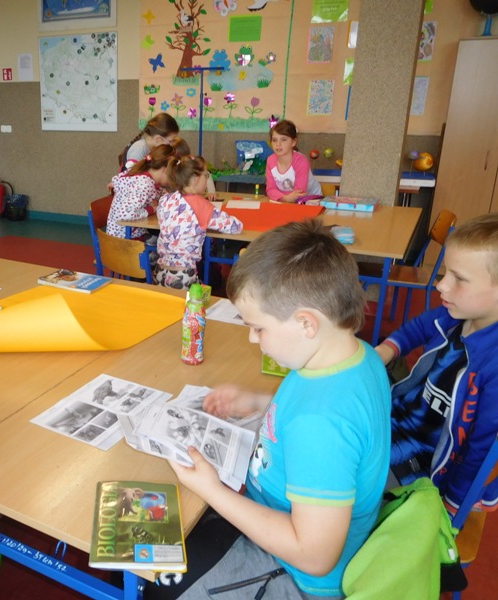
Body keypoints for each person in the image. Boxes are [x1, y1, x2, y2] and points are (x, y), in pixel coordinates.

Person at [146, 219, 391, 600]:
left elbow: (314, 556)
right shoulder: (354, 356)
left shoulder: (321, 424)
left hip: (297, 574)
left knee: (155, 581)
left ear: (306, 323)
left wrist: (212, 490)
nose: (251, 337)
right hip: (280, 509)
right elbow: (317, 412)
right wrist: (258, 402)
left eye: (258, 328)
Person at [374, 213, 498, 515]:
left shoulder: (493, 365)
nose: (441, 285)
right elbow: (419, 327)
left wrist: (454, 503)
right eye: (444, 273)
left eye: (459, 278)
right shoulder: (455, 315)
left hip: (426, 460)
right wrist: (387, 349)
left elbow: (480, 448)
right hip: (396, 418)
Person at [154, 155, 242, 289]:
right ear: (196, 180)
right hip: (183, 276)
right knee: (202, 297)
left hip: (160, 272)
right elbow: (235, 227)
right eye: (206, 175)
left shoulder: (166, 199)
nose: (207, 179)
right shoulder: (201, 205)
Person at [106, 144, 172, 240]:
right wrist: (151, 209)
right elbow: (126, 214)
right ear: (166, 171)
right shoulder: (144, 184)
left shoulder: (142, 174)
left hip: (122, 234)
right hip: (124, 239)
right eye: (172, 176)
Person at [265, 119, 321, 203]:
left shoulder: (301, 161)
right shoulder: (270, 160)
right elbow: (270, 190)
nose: (278, 144)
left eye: (283, 139)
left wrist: (280, 196)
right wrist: (286, 198)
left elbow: (300, 193)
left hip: (311, 201)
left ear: (293, 142)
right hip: (286, 201)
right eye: (274, 140)